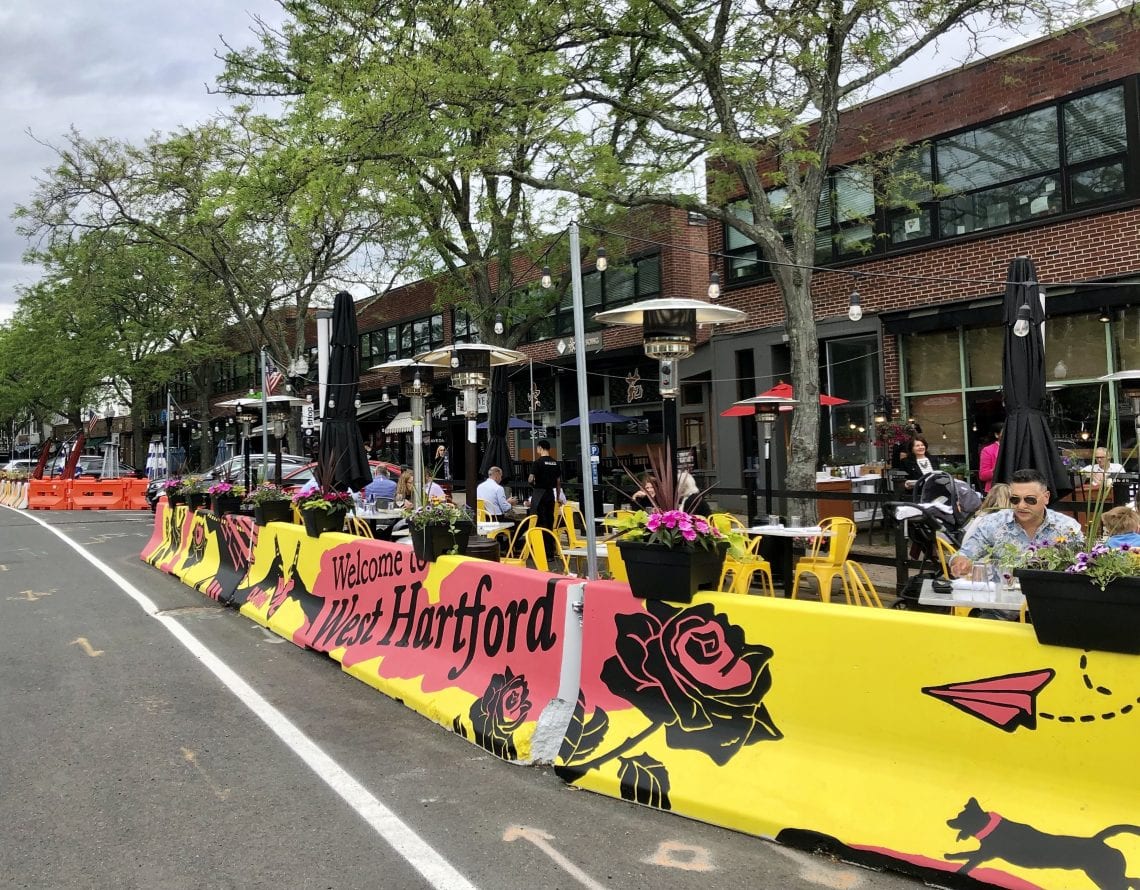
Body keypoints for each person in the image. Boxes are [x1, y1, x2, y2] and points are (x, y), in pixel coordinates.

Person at [950, 468, 1082, 578]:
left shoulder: (1066, 527)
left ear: (1046, 497)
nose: (1021, 506)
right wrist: (961, 563)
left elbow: (1082, 564)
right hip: (1003, 599)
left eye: (1030, 500)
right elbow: (964, 554)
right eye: (1015, 499)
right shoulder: (993, 523)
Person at [528, 439, 562, 553]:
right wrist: (558, 497)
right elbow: (558, 482)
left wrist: (533, 485)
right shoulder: (555, 463)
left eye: (537, 448)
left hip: (539, 494)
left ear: (540, 448)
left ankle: (540, 550)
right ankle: (550, 551)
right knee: (549, 521)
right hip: (550, 494)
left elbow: (530, 479)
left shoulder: (537, 463)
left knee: (539, 521)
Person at [977, 424, 1002, 493]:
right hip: (995, 491)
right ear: (997, 435)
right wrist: (997, 469)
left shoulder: (1015, 449)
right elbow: (983, 475)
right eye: (1004, 432)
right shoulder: (988, 450)